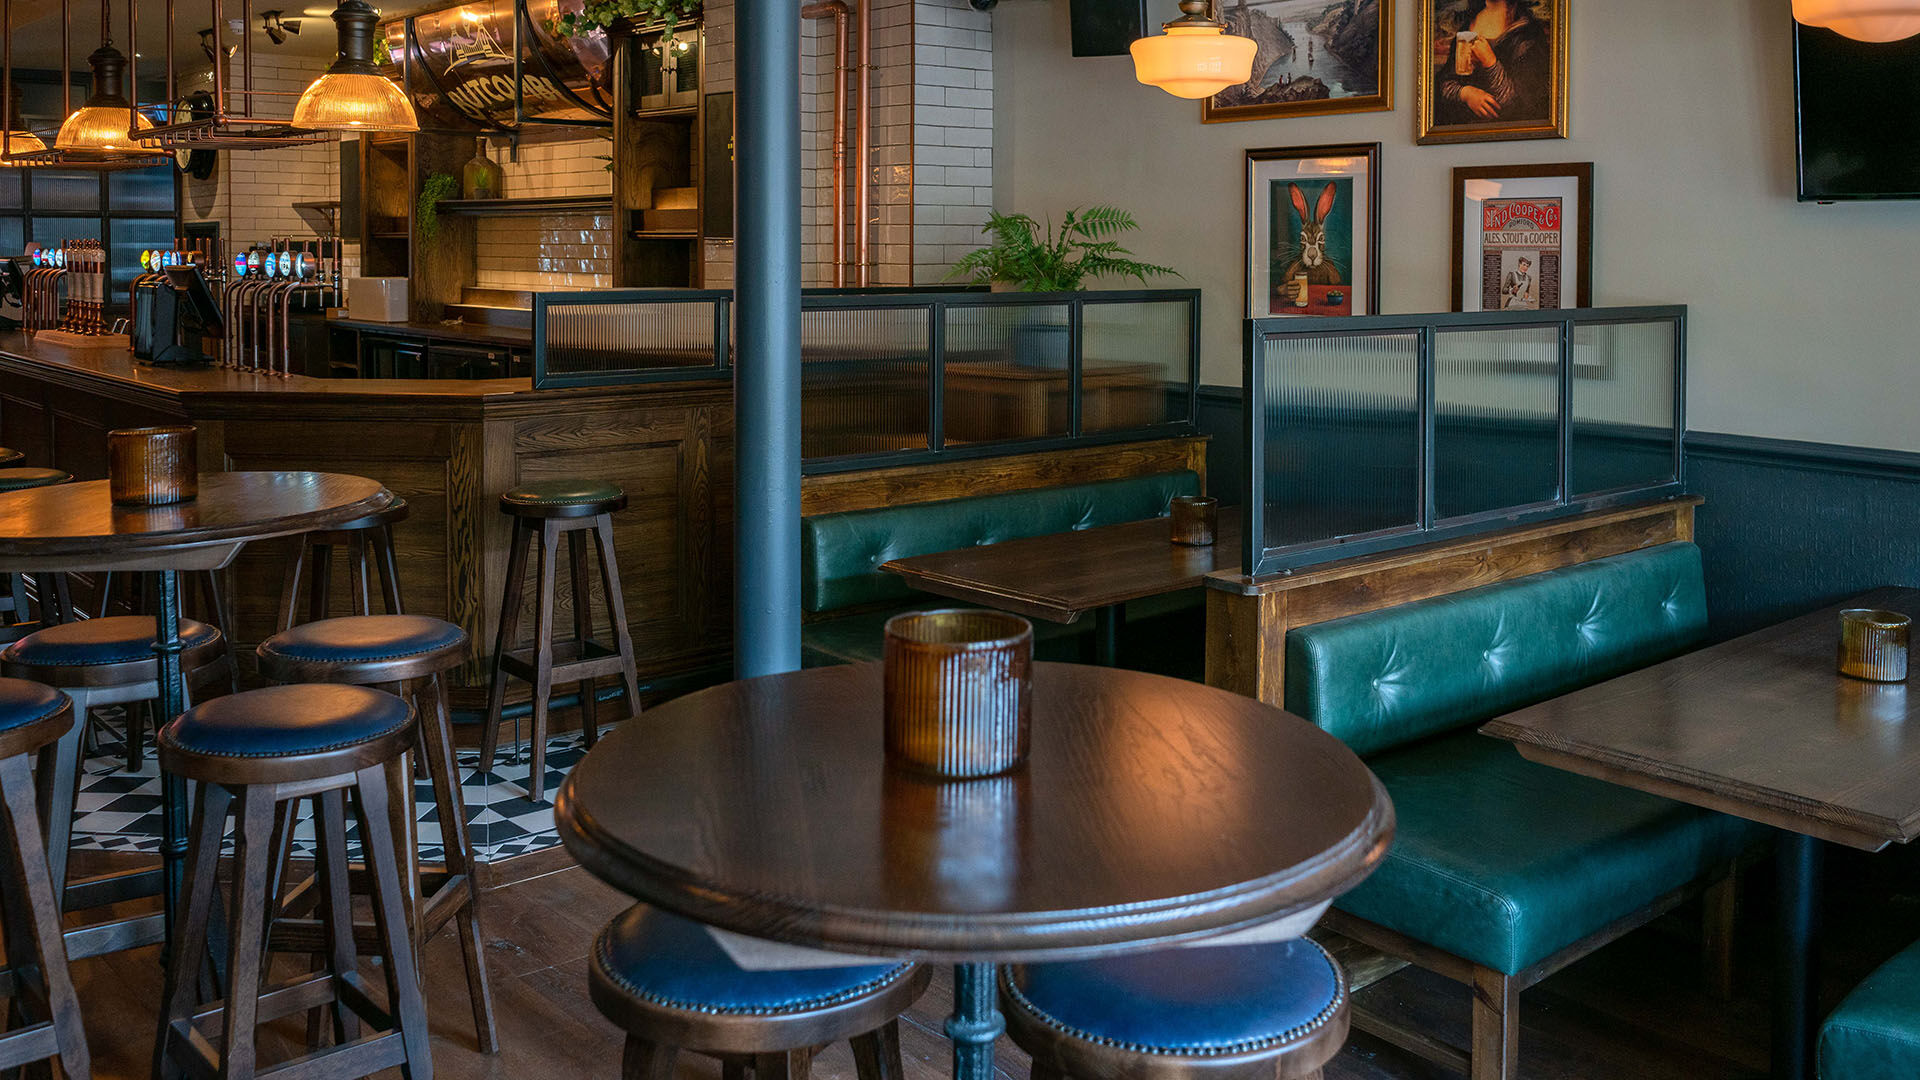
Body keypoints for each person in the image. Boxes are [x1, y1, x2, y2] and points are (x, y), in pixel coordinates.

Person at [1436, 0, 1551, 127]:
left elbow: (1520, 106)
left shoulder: (1528, 35)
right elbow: (1444, 84)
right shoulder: (1467, 27)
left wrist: (1490, 62)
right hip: (1464, 130)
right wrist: (1466, 93)